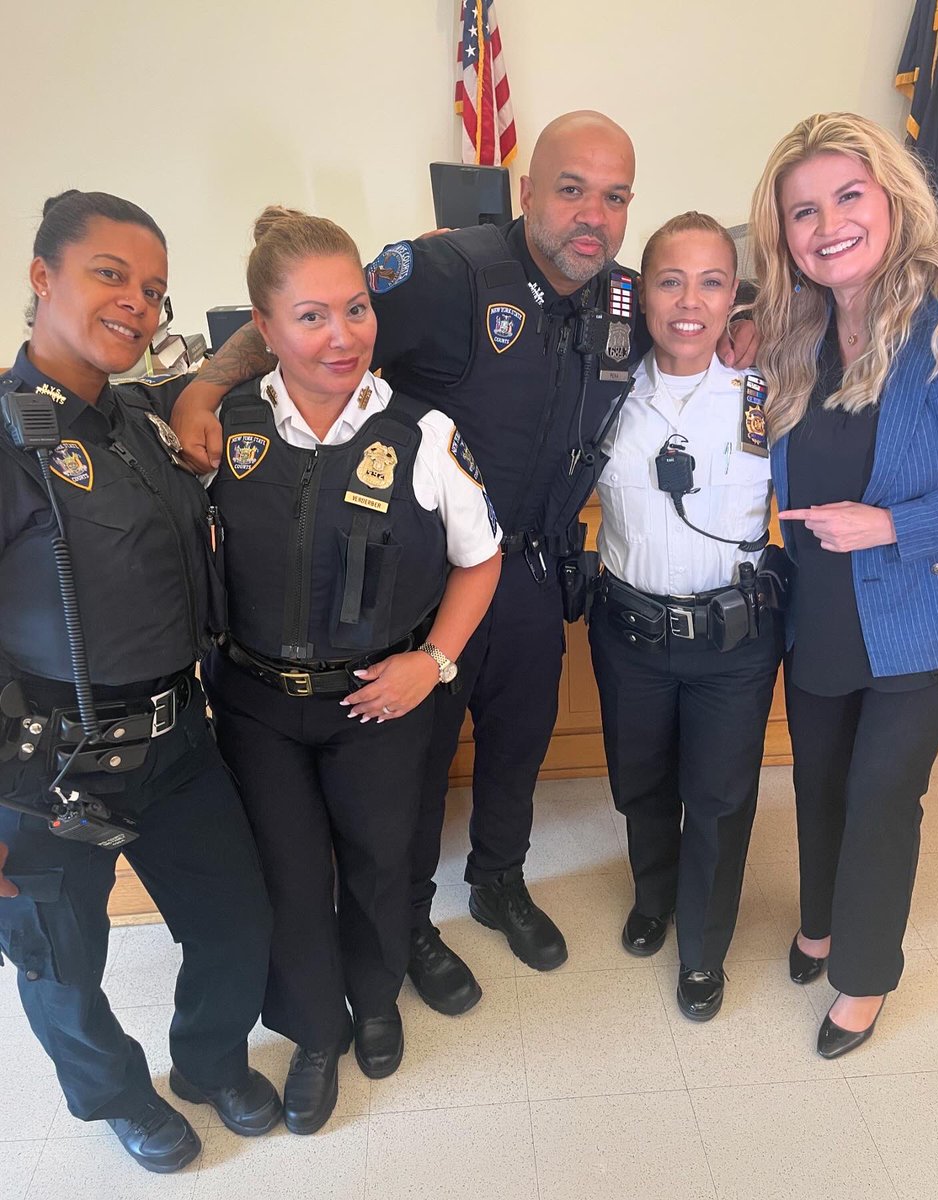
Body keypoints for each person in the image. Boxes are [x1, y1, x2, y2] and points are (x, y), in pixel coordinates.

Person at [171, 111, 757, 1018]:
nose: (591, 216)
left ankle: (498, 882)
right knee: (414, 764)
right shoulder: (448, 273)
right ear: (528, 192)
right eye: (571, 190)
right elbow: (309, 312)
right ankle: (406, 923)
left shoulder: (623, 298)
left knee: (517, 750)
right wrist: (208, 385)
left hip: (535, 572)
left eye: (614, 197)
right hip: (430, 579)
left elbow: (703, 312)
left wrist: (742, 335)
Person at [199, 208, 501, 1133]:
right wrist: (193, 396)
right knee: (289, 874)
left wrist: (434, 662)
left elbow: (479, 557)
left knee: (379, 860)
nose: (343, 336)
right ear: (264, 326)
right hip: (255, 703)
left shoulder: (423, 432)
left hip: (381, 696)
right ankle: (315, 1031)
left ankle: (375, 1001)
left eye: (357, 309)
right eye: (312, 316)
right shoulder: (221, 429)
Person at [0, 191, 281, 1173]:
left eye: (154, 289)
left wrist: (200, 392)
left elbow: (259, 334)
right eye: (110, 274)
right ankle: (118, 1097)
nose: (137, 303)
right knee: (62, 966)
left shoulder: (143, 414)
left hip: (176, 742)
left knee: (237, 924)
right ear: (43, 276)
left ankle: (208, 1062)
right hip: (47, 766)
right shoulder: (6, 438)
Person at [750, 112, 938, 1057]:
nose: (827, 223)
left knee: (882, 792)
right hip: (821, 611)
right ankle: (821, 919)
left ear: (889, 199)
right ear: (784, 234)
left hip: (923, 611)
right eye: (804, 210)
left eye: (847, 196)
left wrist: (892, 524)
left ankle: (864, 977)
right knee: (821, 781)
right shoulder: (791, 338)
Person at [589, 212, 782, 1020]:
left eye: (711, 281)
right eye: (671, 280)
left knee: (719, 797)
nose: (690, 302)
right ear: (643, 291)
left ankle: (702, 949)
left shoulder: (769, 395)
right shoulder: (599, 393)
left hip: (732, 640)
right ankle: (654, 895)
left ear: (734, 295)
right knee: (639, 784)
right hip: (630, 633)